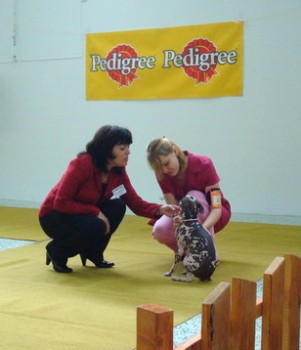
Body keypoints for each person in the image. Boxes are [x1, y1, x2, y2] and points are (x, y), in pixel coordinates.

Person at [38, 126, 180, 273]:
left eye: (128, 147)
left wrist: (160, 209)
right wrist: (95, 212)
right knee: (97, 224)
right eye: (122, 148)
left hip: (84, 215)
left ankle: (93, 253)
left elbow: (135, 203)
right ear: (107, 149)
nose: (128, 152)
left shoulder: (118, 171)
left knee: (117, 206)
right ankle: (57, 251)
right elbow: (61, 202)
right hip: (54, 217)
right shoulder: (82, 164)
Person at [146, 137, 231, 253]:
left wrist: (202, 230)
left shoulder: (204, 164)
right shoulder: (161, 175)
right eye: (159, 168)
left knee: (192, 197)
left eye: (166, 163)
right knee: (159, 230)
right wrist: (177, 219)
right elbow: (174, 209)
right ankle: (186, 252)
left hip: (214, 215)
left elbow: (216, 208)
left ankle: (208, 251)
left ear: (175, 150)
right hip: (186, 217)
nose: (165, 170)